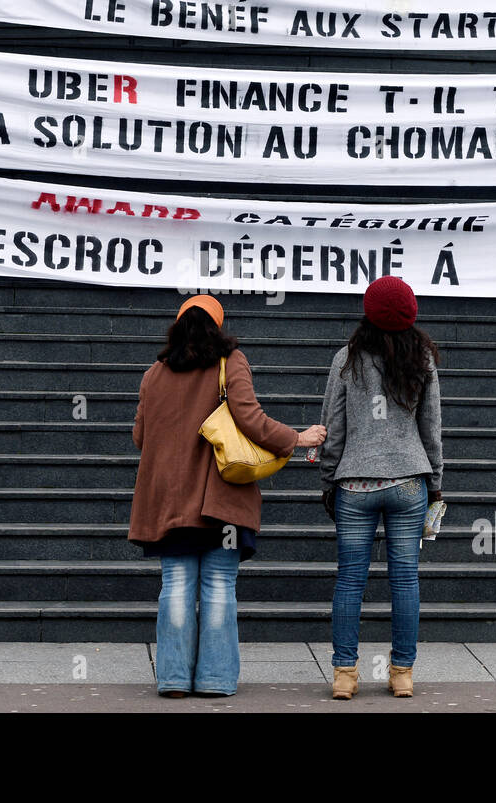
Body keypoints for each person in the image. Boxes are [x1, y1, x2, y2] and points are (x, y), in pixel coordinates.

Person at [130, 293, 327, 698]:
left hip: (168, 501)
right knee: (218, 583)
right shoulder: (229, 361)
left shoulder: (155, 373)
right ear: (217, 326)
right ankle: (216, 680)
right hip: (219, 501)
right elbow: (250, 419)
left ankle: (172, 679)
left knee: (176, 585)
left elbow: (140, 436)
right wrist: (297, 438)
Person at [318, 276, 443, 700]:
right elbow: (431, 428)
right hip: (409, 481)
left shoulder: (346, 359)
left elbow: (333, 428)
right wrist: (436, 483)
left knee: (350, 580)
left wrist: (328, 477)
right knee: (405, 580)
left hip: (355, 482)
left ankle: (344, 675)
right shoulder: (422, 359)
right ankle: (402, 673)